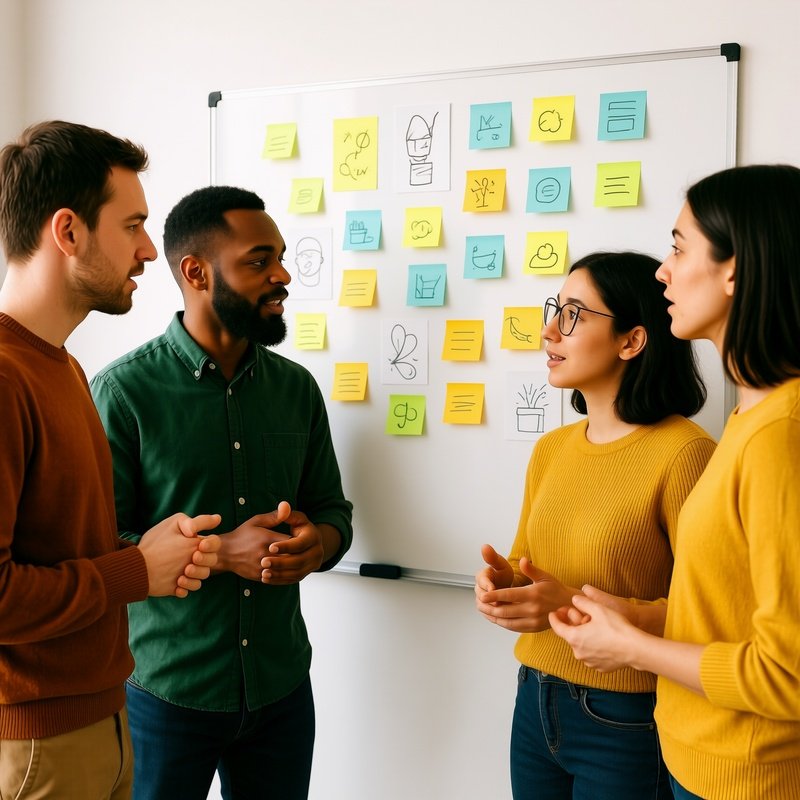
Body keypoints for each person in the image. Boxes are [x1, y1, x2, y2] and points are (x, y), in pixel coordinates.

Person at [90, 185, 354, 800]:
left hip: (282, 689)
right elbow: (101, 545)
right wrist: (220, 553)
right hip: (166, 695)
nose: (282, 275)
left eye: (280, 257)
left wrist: (318, 546)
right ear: (196, 272)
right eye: (259, 261)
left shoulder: (298, 389)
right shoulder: (124, 394)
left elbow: (333, 510)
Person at [551, 165, 800, 800]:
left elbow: (789, 674)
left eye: (679, 246)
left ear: (735, 271)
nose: (662, 270)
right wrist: (636, 615)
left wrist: (632, 646)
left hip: (748, 776)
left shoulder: (780, 434)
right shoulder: (753, 416)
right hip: (697, 757)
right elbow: (734, 611)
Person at [0, 120, 222, 799]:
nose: (150, 249)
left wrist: (154, 555)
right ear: (68, 232)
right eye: (132, 226)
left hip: (102, 723)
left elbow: (68, 549)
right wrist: (135, 570)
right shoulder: (6, 378)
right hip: (41, 748)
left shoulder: (61, 367)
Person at [475, 251, 716, 800]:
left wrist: (565, 604)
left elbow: (707, 614)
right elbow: (525, 561)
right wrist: (504, 584)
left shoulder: (687, 454)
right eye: (556, 309)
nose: (549, 330)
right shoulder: (551, 448)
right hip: (534, 699)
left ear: (632, 341)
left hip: (627, 715)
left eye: (575, 314)